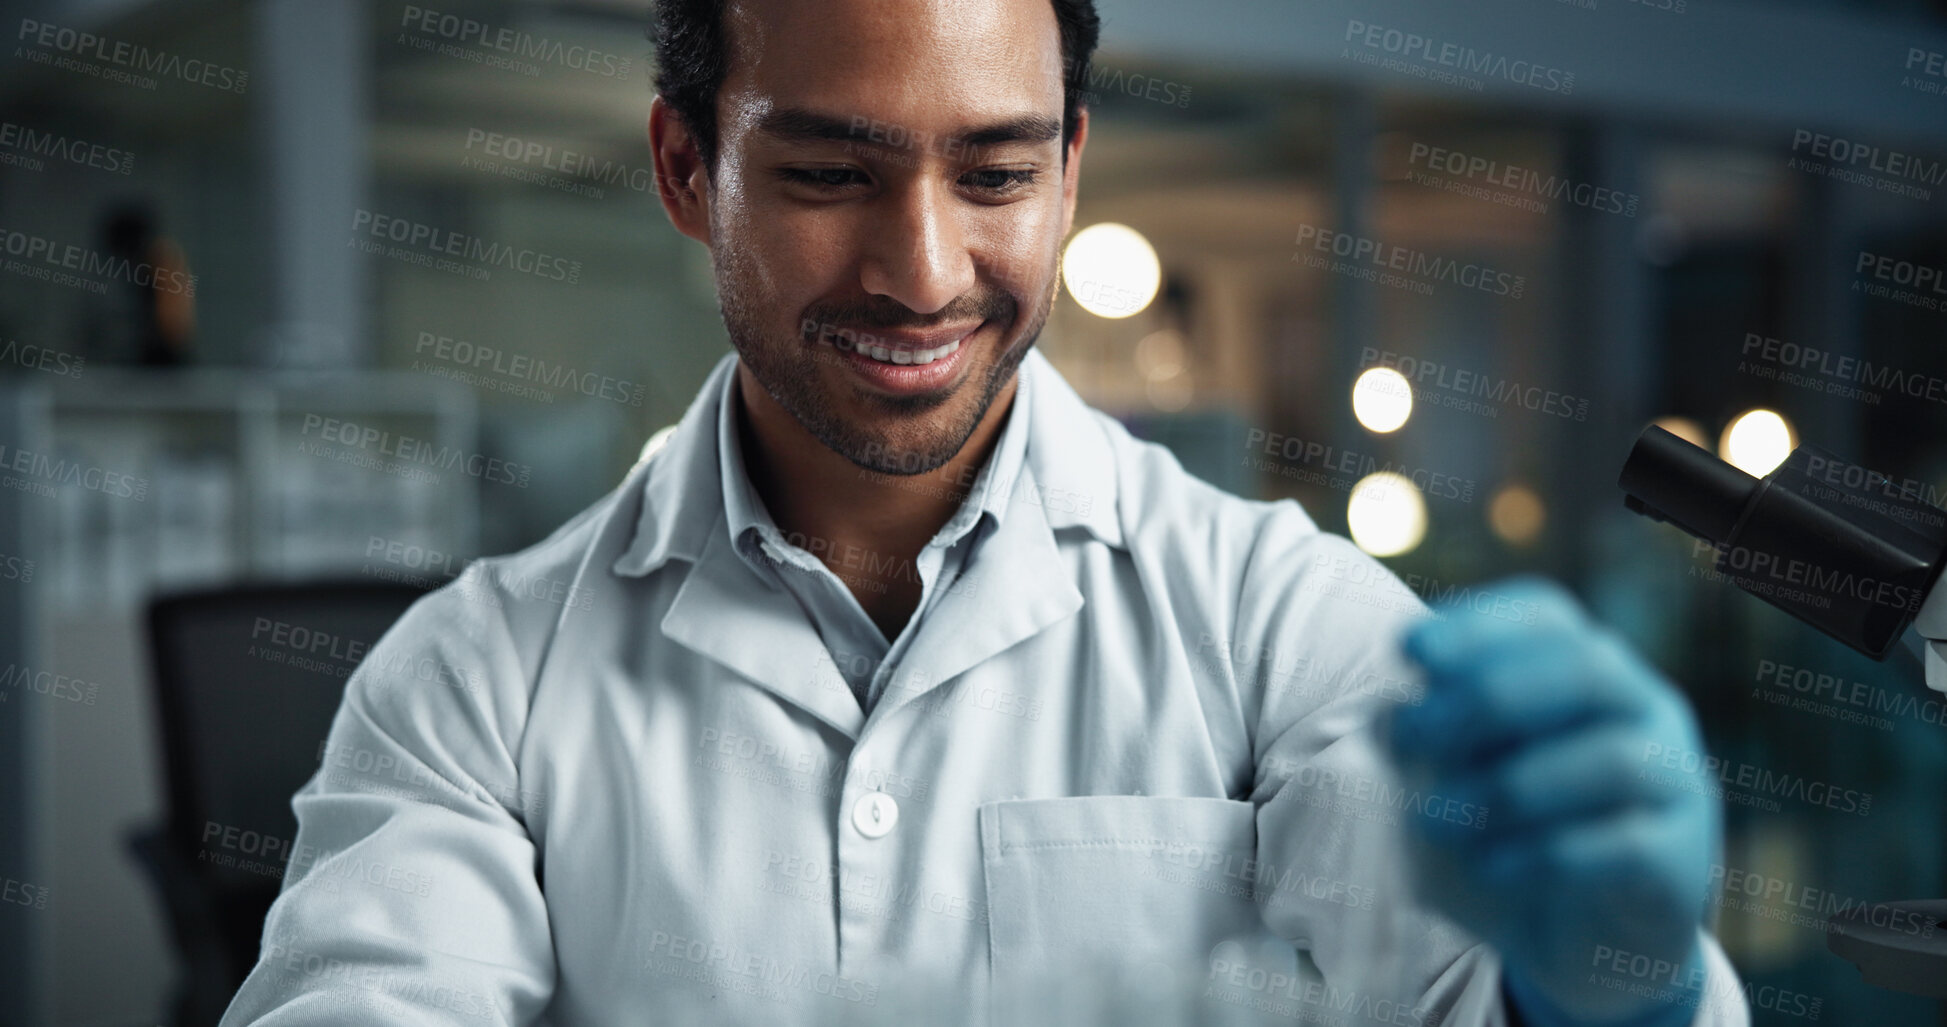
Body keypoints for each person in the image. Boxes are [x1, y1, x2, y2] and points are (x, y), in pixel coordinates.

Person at [221, 1, 1748, 1023]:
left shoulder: (1289, 630)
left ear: (1071, 173)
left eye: (998, 173)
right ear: (688, 170)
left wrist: (1621, 978)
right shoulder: (471, 688)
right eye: (830, 173)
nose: (927, 272)